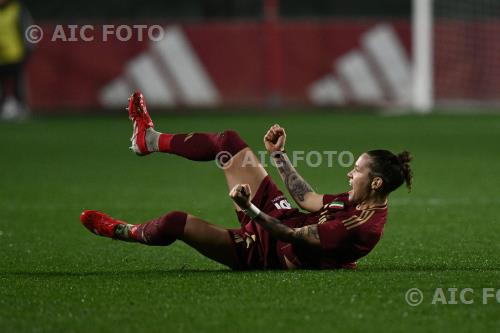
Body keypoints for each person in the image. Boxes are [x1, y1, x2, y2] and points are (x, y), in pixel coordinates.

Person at [80, 91, 413, 270]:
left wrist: (249, 208)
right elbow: (308, 199)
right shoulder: (357, 200)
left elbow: (290, 236)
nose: (349, 173)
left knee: (174, 222)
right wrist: (279, 155)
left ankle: (120, 230)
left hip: (266, 253)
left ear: (376, 183)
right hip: (279, 216)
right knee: (228, 141)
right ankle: (148, 140)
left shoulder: (362, 224)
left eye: (357, 170)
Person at [0, 0, 33, 120]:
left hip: (15, 53)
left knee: (17, 83)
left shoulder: (17, 9)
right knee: (3, 86)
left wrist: (29, 46)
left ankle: (21, 108)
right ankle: (5, 108)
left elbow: (27, 28)